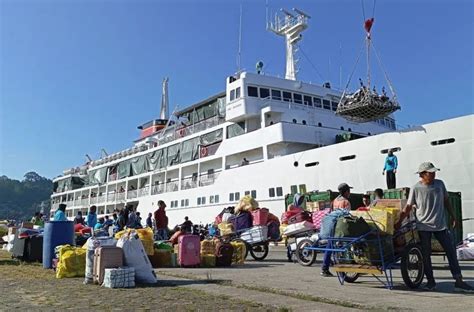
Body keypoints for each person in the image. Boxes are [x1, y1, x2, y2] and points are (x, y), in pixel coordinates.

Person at [396, 162, 473, 292]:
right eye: (430, 172)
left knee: (451, 252)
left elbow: (446, 200)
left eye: (433, 172)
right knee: (426, 255)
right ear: (422, 174)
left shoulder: (440, 184)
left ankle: (458, 280)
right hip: (423, 227)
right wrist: (399, 222)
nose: (433, 174)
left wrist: (454, 216)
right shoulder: (415, 188)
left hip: (440, 226)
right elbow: (408, 207)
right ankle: (431, 282)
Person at [321, 183, 353, 277]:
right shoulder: (346, 202)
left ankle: (324, 268)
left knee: (330, 247)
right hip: (341, 228)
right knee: (342, 248)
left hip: (332, 227)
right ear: (346, 192)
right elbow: (348, 216)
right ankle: (342, 272)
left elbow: (331, 213)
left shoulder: (335, 200)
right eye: (349, 191)